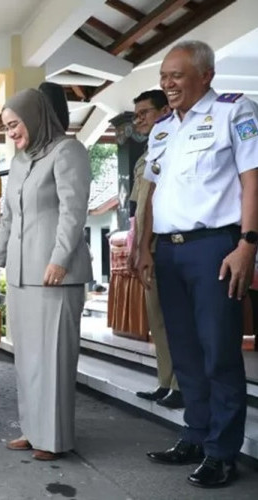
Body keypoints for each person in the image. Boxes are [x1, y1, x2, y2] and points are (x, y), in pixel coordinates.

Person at [137, 40, 258, 488]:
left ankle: (222, 452)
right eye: (163, 77)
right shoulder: (163, 128)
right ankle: (194, 434)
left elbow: (252, 180)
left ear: (205, 75)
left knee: (219, 351)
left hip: (214, 247)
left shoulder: (234, 112)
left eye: (177, 75)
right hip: (168, 250)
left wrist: (247, 244)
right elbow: (150, 191)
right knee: (185, 351)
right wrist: (142, 245)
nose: (167, 85)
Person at [0, 88, 92, 461]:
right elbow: (8, 218)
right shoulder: (22, 162)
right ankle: (32, 430)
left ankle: (55, 439)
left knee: (54, 359)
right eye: (8, 128)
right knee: (27, 357)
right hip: (22, 275)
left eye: (15, 124)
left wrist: (59, 259)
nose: (11, 133)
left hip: (56, 273)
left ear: (36, 116)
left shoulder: (67, 152)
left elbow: (74, 212)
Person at [127, 90, 183, 409]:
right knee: (157, 316)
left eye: (145, 113)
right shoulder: (145, 156)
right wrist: (137, 247)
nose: (140, 120)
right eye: (137, 115)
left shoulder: (176, 148)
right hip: (148, 244)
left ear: (164, 111)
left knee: (175, 316)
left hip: (170, 240)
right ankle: (166, 381)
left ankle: (181, 384)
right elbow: (138, 210)